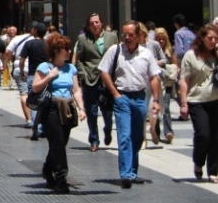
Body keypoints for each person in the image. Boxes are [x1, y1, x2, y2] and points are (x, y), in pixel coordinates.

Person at [99, 20, 162, 188]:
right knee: (124, 136)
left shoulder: (146, 54)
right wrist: (115, 94)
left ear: (139, 36)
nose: (127, 38)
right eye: (124, 34)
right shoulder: (115, 51)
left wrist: (156, 100)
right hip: (122, 97)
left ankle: (133, 171)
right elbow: (103, 71)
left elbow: (154, 77)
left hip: (140, 98)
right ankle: (126, 174)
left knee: (138, 137)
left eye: (130, 35)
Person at [178, 24, 218, 183]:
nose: (213, 41)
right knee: (203, 134)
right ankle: (198, 162)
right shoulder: (190, 55)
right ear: (201, 38)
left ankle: (213, 171)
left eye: (216, 38)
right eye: (210, 38)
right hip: (197, 100)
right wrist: (183, 103)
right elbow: (184, 80)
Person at [30, 36, 86, 193]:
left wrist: (81, 108)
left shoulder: (71, 68)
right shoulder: (45, 67)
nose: (68, 52)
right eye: (65, 49)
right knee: (58, 143)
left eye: (69, 49)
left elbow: (76, 90)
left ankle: (48, 168)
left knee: (59, 144)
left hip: (67, 108)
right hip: (51, 109)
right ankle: (61, 178)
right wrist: (49, 77)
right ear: (56, 51)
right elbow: (35, 87)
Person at [72, 13, 117, 152]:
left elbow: (117, 56)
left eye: (97, 22)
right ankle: (94, 140)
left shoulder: (112, 37)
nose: (95, 25)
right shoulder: (83, 39)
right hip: (90, 79)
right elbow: (78, 59)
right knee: (91, 111)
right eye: (92, 23)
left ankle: (108, 129)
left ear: (101, 23)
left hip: (108, 79)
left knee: (108, 111)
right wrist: (83, 74)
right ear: (88, 25)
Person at [4, 26, 34, 127]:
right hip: (35, 69)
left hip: (19, 68)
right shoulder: (36, 40)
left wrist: (5, 63)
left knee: (24, 93)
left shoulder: (16, 39)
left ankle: (29, 120)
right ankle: (37, 119)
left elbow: (8, 51)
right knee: (35, 94)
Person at [152, 27, 177, 144]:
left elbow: (175, 65)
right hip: (155, 82)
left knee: (166, 107)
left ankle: (168, 132)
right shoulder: (152, 49)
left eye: (163, 39)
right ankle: (155, 131)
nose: (161, 41)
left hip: (166, 82)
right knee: (155, 107)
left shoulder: (170, 50)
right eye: (158, 39)